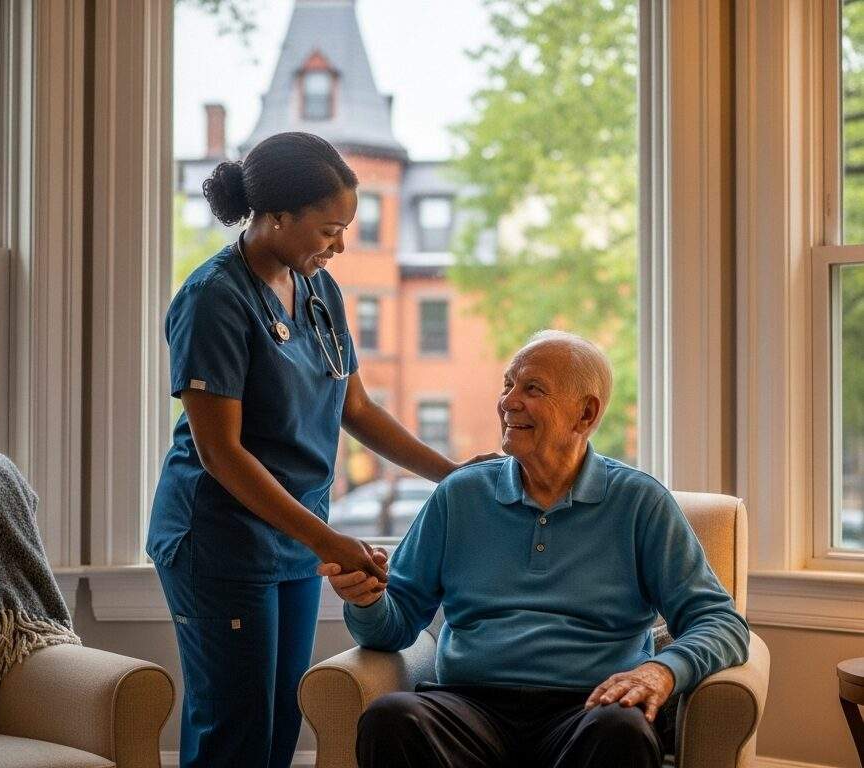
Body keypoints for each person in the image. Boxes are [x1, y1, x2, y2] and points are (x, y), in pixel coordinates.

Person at [145, 132, 495, 768]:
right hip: (218, 539)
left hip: (295, 539)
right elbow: (221, 455)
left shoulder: (319, 290)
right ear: (276, 216)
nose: (340, 245)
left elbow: (355, 409)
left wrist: (451, 476)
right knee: (235, 725)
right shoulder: (213, 300)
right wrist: (327, 542)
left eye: (347, 228)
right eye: (330, 229)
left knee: (280, 720)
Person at [321, 329, 750, 768]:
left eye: (532, 389)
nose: (508, 401)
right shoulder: (461, 495)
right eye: (507, 385)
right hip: (469, 705)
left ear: (585, 414)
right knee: (391, 717)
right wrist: (368, 599)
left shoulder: (639, 503)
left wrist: (662, 670)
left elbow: (721, 622)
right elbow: (392, 628)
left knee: (621, 730)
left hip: (588, 708)